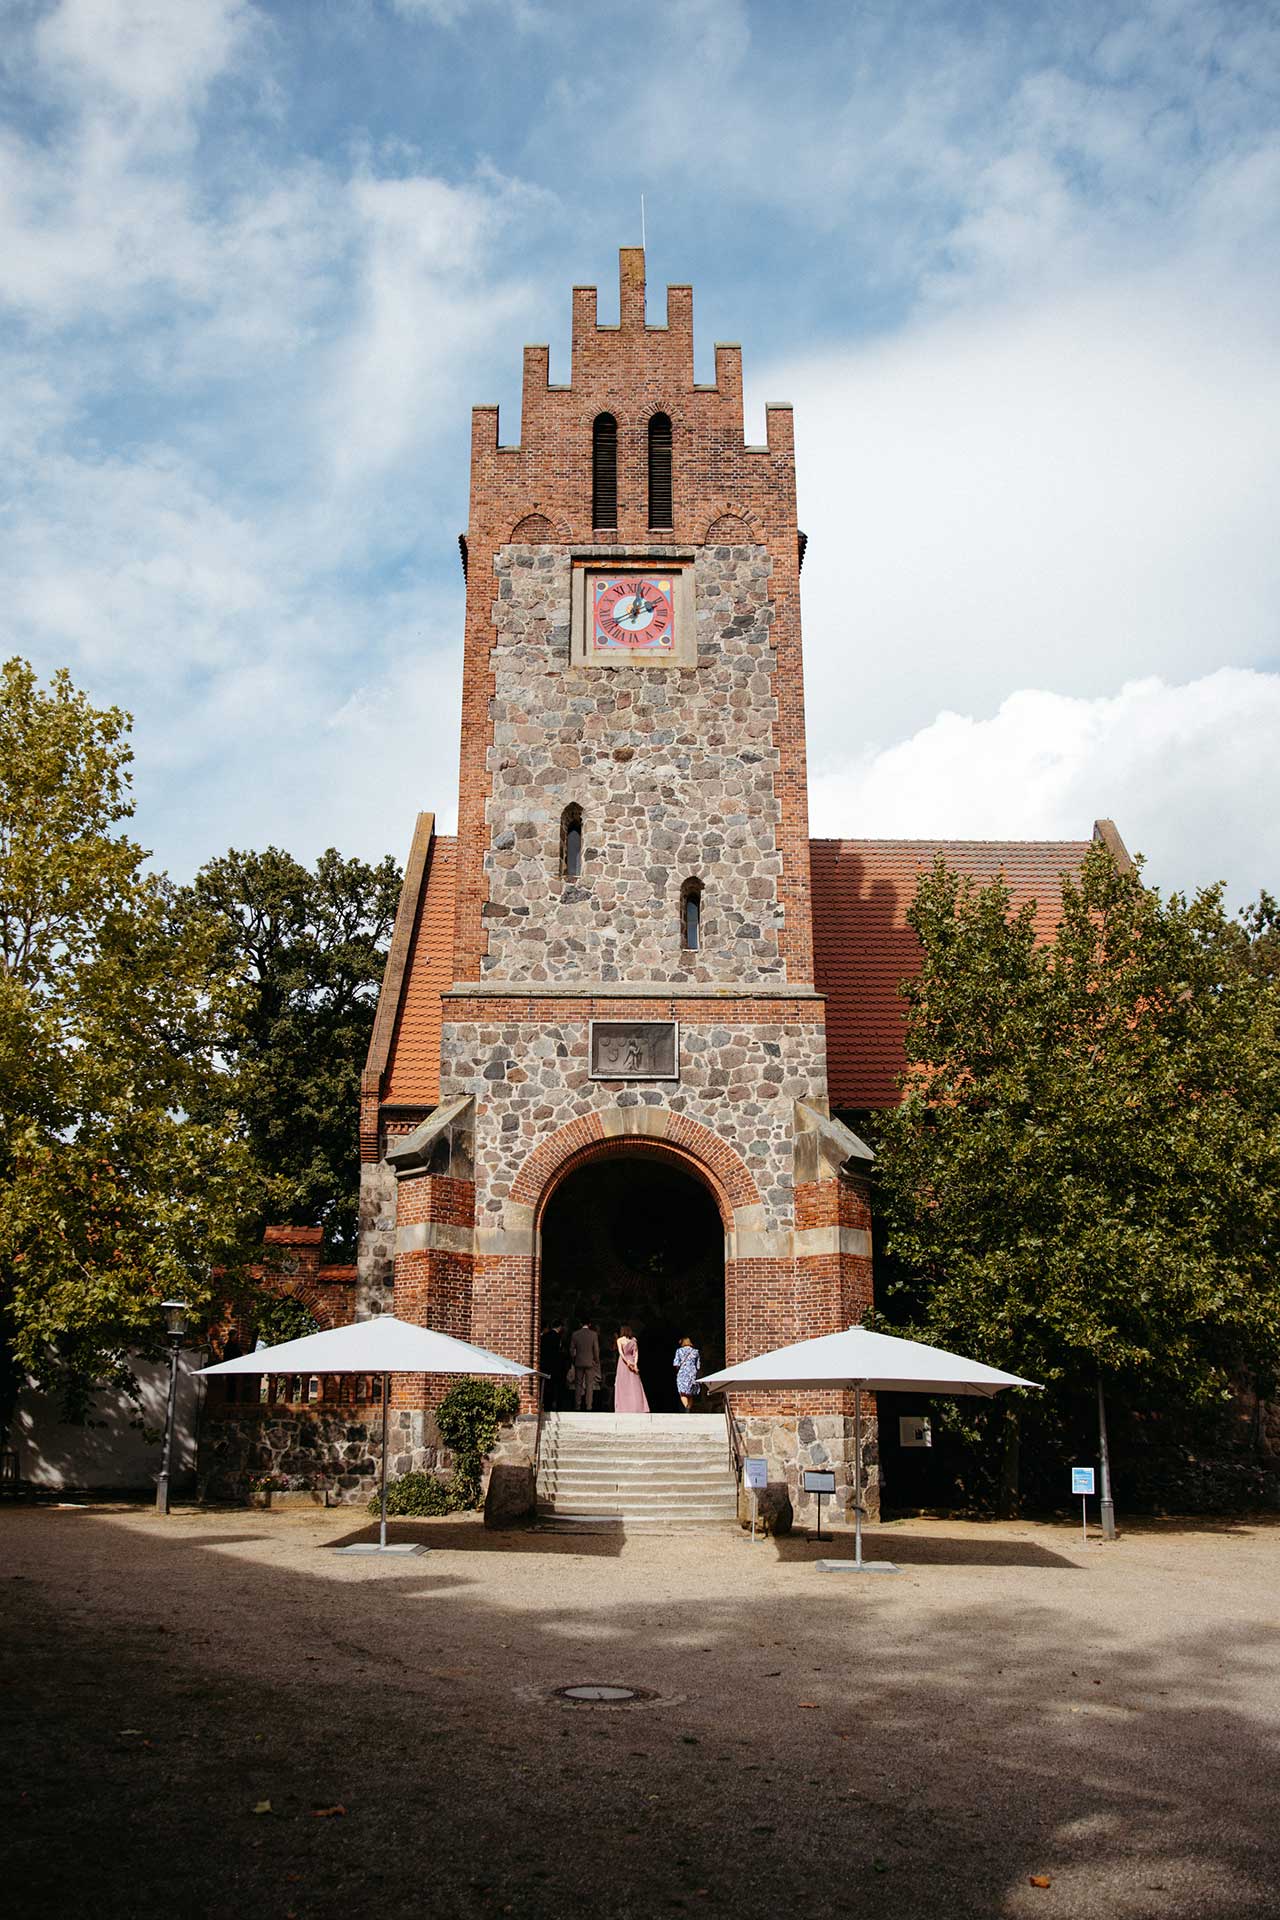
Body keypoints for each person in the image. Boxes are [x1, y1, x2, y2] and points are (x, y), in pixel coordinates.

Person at [613, 1324, 650, 1414]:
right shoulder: (633, 1340)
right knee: (634, 1384)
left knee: (624, 1384)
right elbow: (636, 1353)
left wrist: (627, 1363)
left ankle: (623, 1407)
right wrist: (634, 1364)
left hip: (623, 1363)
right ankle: (637, 1407)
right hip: (631, 1361)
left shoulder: (620, 1340)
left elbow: (621, 1353)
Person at [569, 1318, 601, 1411]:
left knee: (578, 1384)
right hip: (590, 1362)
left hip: (578, 1362)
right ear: (589, 1324)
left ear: (580, 1324)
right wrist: (596, 1360)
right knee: (589, 1385)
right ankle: (589, 1406)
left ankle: (577, 1406)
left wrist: (573, 1359)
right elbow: (596, 1349)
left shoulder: (575, 1334)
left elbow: (571, 1350)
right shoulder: (593, 1334)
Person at [539, 1319, 566, 1414]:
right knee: (555, 1386)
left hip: (545, 1364)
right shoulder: (558, 1337)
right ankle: (555, 1405)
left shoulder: (545, 1336)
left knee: (546, 1385)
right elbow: (558, 1351)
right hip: (555, 1365)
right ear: (560, 1327)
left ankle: (546, 1404)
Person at [673, 1335, 701, 1410]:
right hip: (692, 1374)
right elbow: (698, 1366)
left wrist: (679, 1370)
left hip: (682, 1373)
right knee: (690, 1393)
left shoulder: (679, 1351)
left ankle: (686, 1408)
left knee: (682, 1392)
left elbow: (676, 1364)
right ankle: (689, 1408)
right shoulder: (695, 1352)